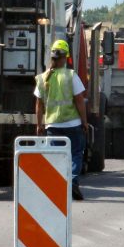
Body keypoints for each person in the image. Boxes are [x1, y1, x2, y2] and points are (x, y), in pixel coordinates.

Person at [34, 39, 88, 201]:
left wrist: (39, 125)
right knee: (76, 154)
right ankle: (72, 182)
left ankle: (56, 187)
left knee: (56, 156)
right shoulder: (70, 76)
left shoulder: (43, 78)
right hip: (72, 124)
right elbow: (79, 100)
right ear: (66, 57)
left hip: (52, 125)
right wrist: (84, 122)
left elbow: (39, 104)